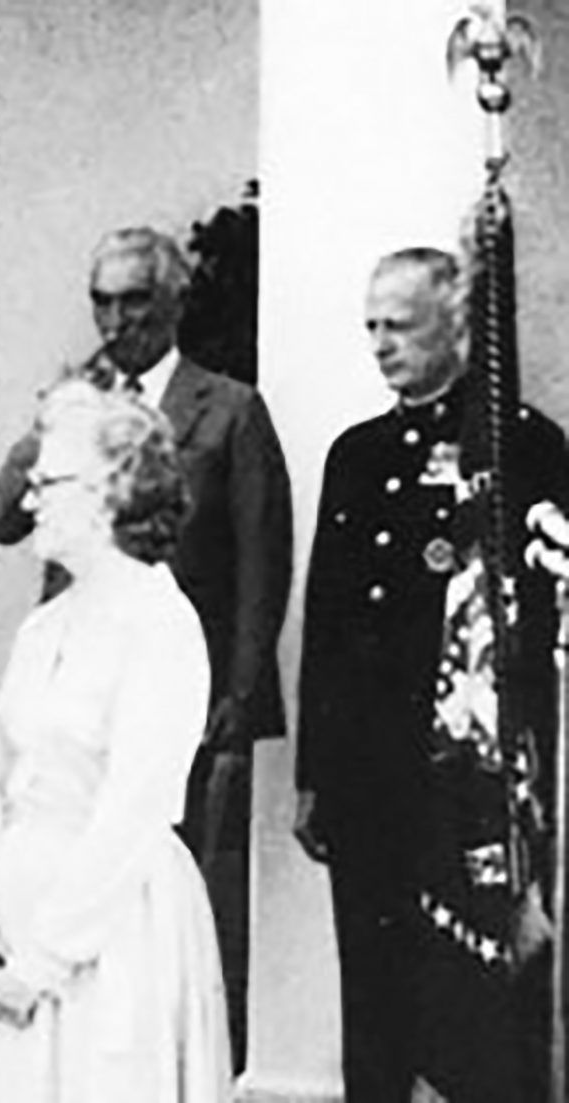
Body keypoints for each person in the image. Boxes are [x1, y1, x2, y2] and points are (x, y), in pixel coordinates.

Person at [0, 227, 291, 1064]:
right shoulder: (73, 398)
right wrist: (61, 418)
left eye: (135, 301)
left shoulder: (225, 407)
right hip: (72, 685)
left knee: (153, 906)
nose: (117, 319)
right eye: (103, 302)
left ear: (174, 302)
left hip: (177, 696)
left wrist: (241, 695)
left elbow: (263, 559)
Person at [296, 247, 568, 1102]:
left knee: (480, 998)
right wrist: (315, 777)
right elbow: (329, 625)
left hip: (466, 777)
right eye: (371, 326)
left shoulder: (520, 448)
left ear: (457, 326)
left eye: (400, 326)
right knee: (372, 994)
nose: (380, 345)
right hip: (370, 770)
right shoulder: (357, 453)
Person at [0, 379, 231, 1103]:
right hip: (8, 941)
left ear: (116, 488)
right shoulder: (45, 627)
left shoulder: (159, 624)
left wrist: (37, 966)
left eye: (48, 482)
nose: (30, 498)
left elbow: (132, 813)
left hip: (108, 940)